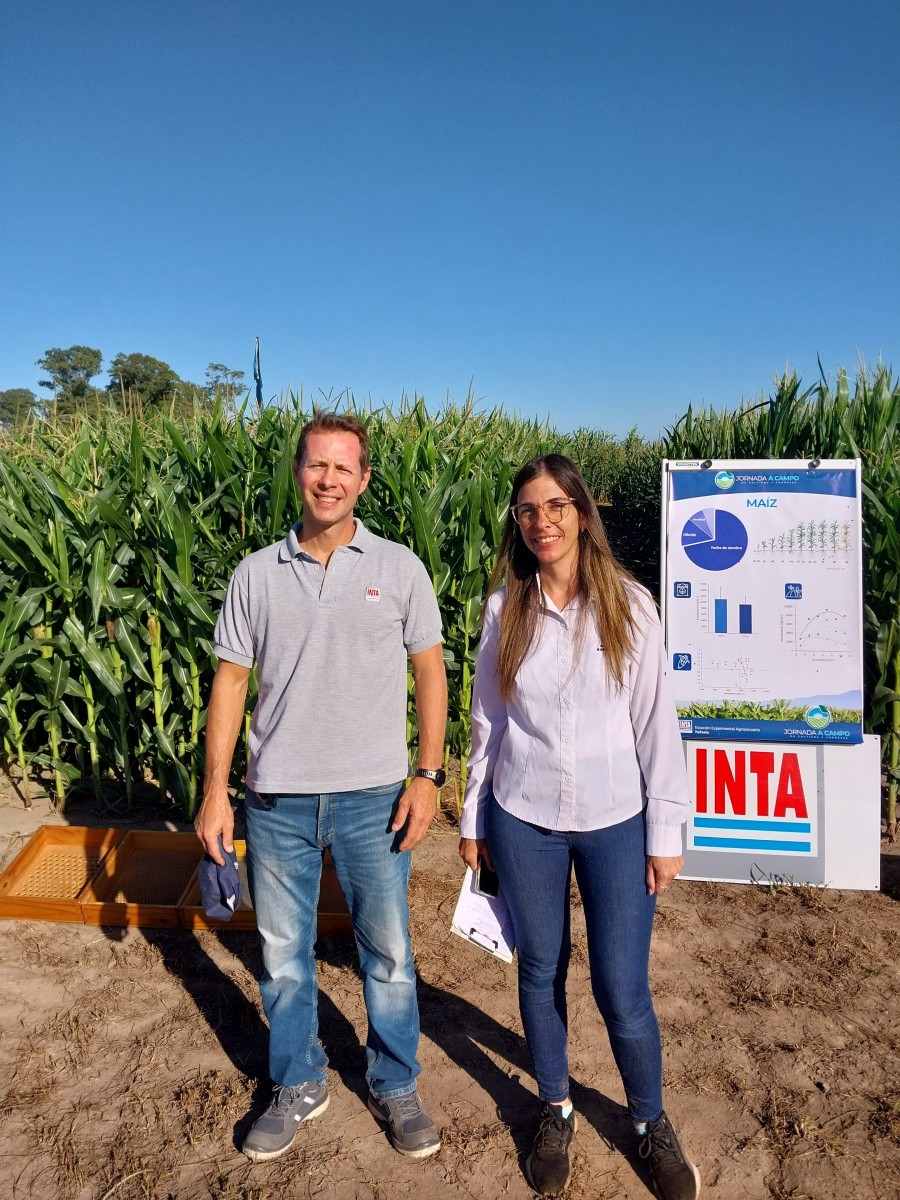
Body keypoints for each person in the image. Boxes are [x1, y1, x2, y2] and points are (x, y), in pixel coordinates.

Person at [195, 411, 448, 1163]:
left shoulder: (399, 568)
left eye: (344, 467)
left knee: (389, 951)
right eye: (316, 465)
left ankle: (396, 1081)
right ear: (297, 473)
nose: (329, 478)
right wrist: (215, 790)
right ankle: (298, 1079)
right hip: (277, 801)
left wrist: (428, 776)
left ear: (364, 479)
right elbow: (230, 682)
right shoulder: (256, 574)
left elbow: (430, 671)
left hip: (376, 797)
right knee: (281, 953)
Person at [459, 454, 700, 1200]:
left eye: (557, 505)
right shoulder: (505, 611)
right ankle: (555, 1107)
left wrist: (666, 830)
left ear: (583, 513)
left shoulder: (629, 605)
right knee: (539, 970)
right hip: (523, 815)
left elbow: (657, 723)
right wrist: (473, 817)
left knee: (622, 988)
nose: (543, 521)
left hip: (615, 819)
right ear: (518, 524)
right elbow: (488, 725)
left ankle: (648, 1121)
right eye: (529, 510)